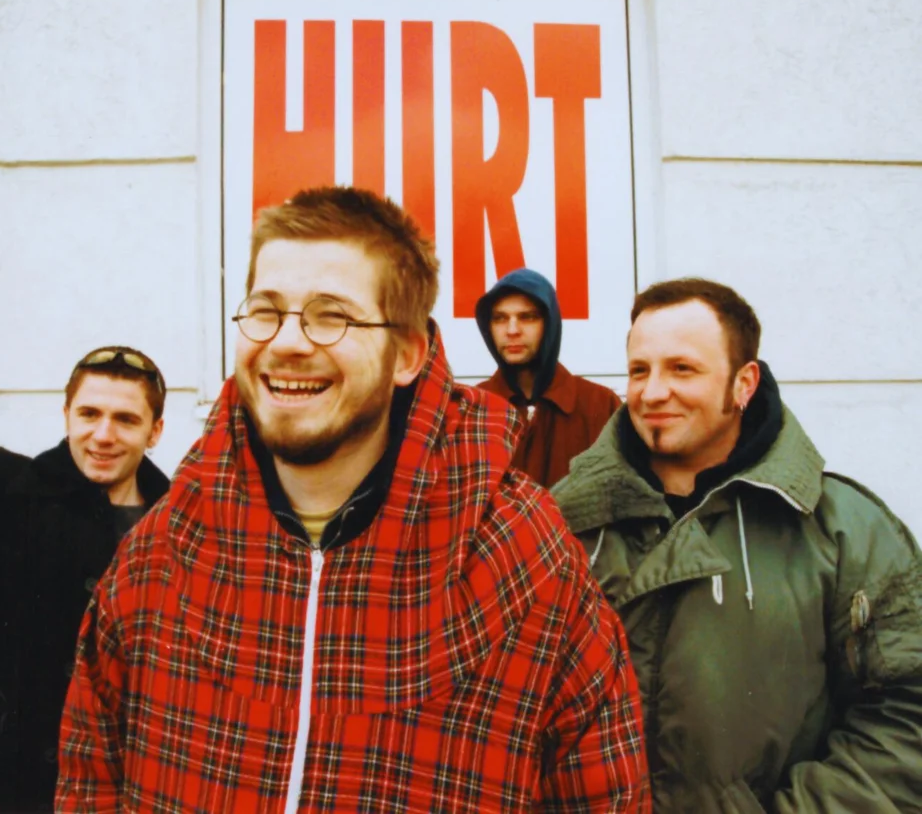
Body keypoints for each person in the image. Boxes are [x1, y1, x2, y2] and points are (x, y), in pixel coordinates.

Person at [57, 187, 650, 812]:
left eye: (330, 315)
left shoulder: (524, 556)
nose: (287, 341)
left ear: (406, 355)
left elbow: (604, 796)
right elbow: (89, 783)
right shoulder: (165, 545)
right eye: (265, 311)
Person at [552, 277, 922, 812]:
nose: (652, 393)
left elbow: (905, 718)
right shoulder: (561, 523)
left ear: (744, 383)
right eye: (639, 370)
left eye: (682, 369)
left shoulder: (843, 531)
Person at [0, 347, 170, 812]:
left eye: (125, 419)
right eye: (89, 414)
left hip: (107, 790)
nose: (103, 435)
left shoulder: (179, 529)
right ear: (66, 415)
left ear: (155, 430)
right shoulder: (1, 494)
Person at [475, 268, 621, 488]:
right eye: (500, 318)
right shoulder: (472, 407)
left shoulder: (599, 404)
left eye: (527, 317)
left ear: (550, 324)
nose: (512, 330)